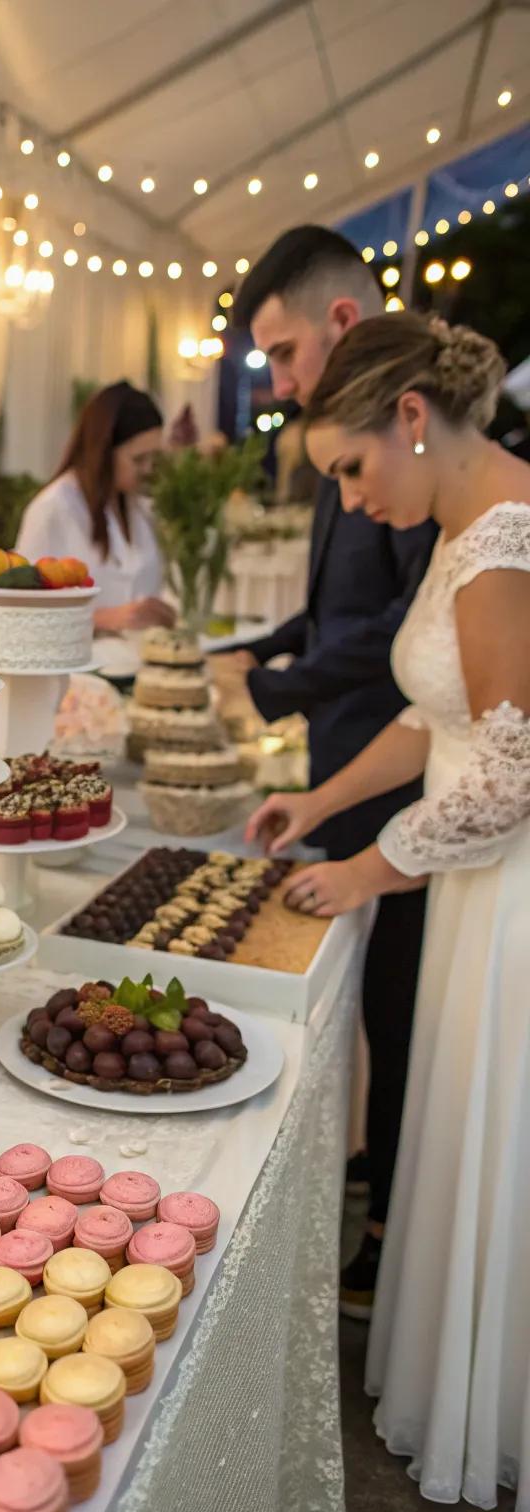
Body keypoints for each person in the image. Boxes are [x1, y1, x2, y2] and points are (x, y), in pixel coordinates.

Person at [247, 312, 530, 1512]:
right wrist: (322, 798)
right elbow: (434, 718)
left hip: (505, 884)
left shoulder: (505, 537)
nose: (352, 504)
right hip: (469, 881)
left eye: (353, 469)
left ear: (410, 418)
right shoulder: (462, 523)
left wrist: (366, 868)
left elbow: (511, 769)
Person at [224, 227, 437, 1315]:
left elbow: (409, 627)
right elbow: (338, 603)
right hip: (344, 762)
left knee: (404, 1004)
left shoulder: (423, 455)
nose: (276, 377)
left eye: (284, 350)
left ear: (344, 324)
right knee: (369, 999)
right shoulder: (340, 447)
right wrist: (264, 655)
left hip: (405, 773)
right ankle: (373, 1177)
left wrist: (278, 688)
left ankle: (396, 1227)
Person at [16, 380, 174, 633]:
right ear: (102, 451)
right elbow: (20, 611)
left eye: (153, 458)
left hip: (140, 661)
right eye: (139, 459)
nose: (148, 469)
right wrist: (102, 619)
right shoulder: (53, 509)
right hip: (79, 666)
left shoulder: (138, 507)